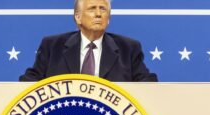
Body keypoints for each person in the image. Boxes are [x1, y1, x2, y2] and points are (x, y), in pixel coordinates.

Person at [19, 0, 157, 82]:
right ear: (78, 17)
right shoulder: (52, 46)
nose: (98, 14)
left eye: (103, 9)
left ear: (108, 18)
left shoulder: (128, 48)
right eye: (92, 9)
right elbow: (29, 81)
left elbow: (147, 84)